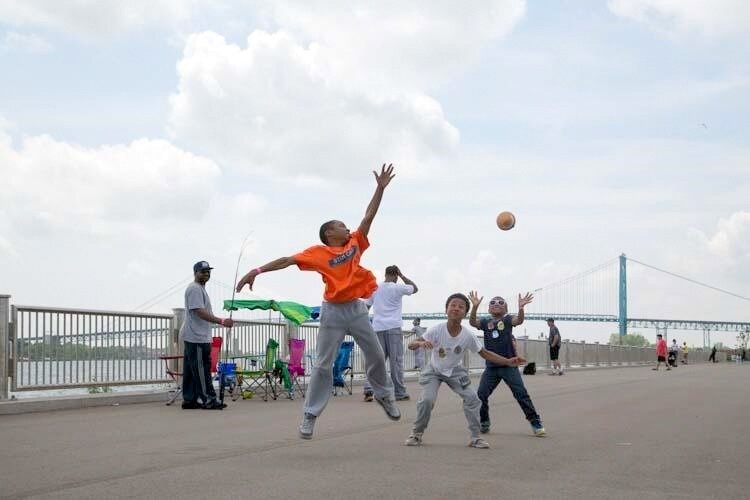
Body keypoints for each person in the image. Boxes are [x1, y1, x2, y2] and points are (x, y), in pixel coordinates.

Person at [236, 164, 401, 439]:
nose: (346, 227)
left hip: (357, 310)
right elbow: (287, 260)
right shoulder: (318, 253)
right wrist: (257, 271)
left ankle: (384, 396)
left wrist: (380, 188)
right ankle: (310, 415)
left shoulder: (355, 243)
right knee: (323, 364)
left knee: (374, 355)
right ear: (329, 234)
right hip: (333, 313)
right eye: (340, 225)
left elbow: (368, 216)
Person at [404, 293, 524, 449]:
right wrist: (420, 344)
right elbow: (411, 345)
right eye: (453, 305)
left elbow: (485, 353)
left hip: (455, 371)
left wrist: (508, 361)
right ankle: (416, 434)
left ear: (465, 313)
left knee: (473, 398)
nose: (456, 308)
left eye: (461, 307)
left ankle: (475, 438)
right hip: (434, 370)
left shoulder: (467, 335)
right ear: (446, 309)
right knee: (427, 400)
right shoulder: (436, 330)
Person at [468, 290, 546, 437]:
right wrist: (475, 307)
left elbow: (519, 321)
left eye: (500, 302)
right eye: (492, 302)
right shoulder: (485, 322)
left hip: (509, 366)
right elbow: (472, 322)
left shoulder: (508, 319)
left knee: (521, 394)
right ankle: (484, 423)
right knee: (481, 395)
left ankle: (535, 422)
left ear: (506, 308)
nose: (496, 304)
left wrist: (521, 308)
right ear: (489, 308)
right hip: (491, 367)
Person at [180, 260, 234, 410]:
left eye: (208, 272)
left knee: (192, 370)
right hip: (196, 337)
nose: (206, 274)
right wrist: (222, 320)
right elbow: (199, 311)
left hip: (197, 336)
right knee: (201, 369)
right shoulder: (194, 289)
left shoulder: (200, 289)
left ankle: (189, 400)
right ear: (195, 273)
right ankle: (209, 400)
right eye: (202, 271)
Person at [362, 265, 418, 402]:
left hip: (377, 327)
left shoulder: (375, 288)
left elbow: (365, 307)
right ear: (396, 275)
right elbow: (415, 288)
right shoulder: (398, 287)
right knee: (396, 361)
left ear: (385, 274)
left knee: (376, 361)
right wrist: (403, 276)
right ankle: (399, 392)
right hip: (393, 328)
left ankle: (369, 389)